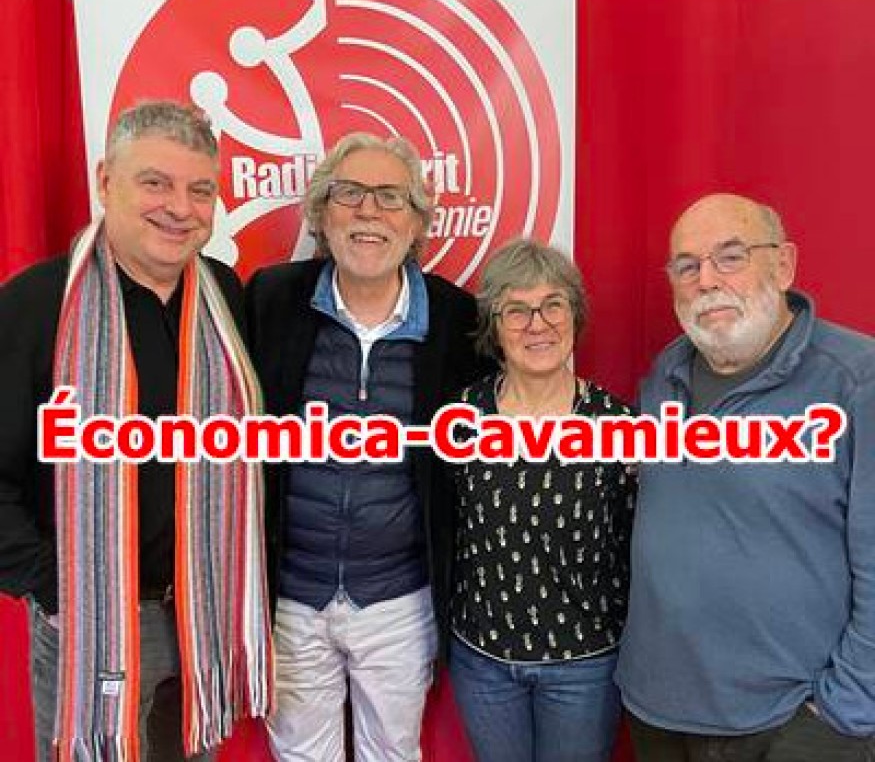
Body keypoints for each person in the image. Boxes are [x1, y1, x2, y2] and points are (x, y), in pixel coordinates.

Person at [0, 101, 272, 761]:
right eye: (155, 183)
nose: (179, 208)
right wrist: (54, 586)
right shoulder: (38, 304)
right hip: (90, 615)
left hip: (203, 612)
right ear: (105, 181)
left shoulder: (224, 296)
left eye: (200, 190)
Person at [246, 132, 485, 761]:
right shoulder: (271, 300)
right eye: (349, 194)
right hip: (290, 598)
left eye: (390, 197)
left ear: (418, 221)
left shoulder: (458, 321)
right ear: (322, 213)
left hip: (399, 600)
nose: (369, 212)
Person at [616, 193, 875, 761]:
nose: (706, 280)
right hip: (656, 710)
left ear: (783, 264)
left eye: (730, 257)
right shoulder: (663, 377)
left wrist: (843, 712)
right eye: (687, 266)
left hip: (790, 724)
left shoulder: (856, 383)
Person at [446, 239, 637, 762]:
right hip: (483, 661)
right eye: (517, 310)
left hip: (584, 664)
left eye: (554, 305)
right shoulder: (461, 417)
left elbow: (636, 540)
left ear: (574, 315)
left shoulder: (617, 423)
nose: (538, 325)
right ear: (494, 326)